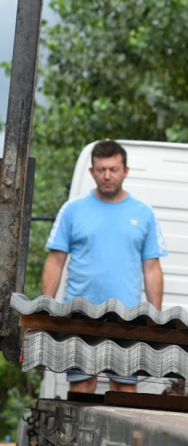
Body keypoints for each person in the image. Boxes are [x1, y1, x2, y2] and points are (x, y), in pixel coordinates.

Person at [41, 139, 168, 393]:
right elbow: (55, 262)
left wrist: (155, 319)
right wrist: (44, 310)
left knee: (124, 389)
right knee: (82, 385)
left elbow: (152, 268)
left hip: (127, 317)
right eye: (101, 169)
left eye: (113, 169)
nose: (107, 176)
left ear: (125, 171)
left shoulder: (143, 213)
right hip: (80, 314)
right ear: (92, 172)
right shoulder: (72, 210)